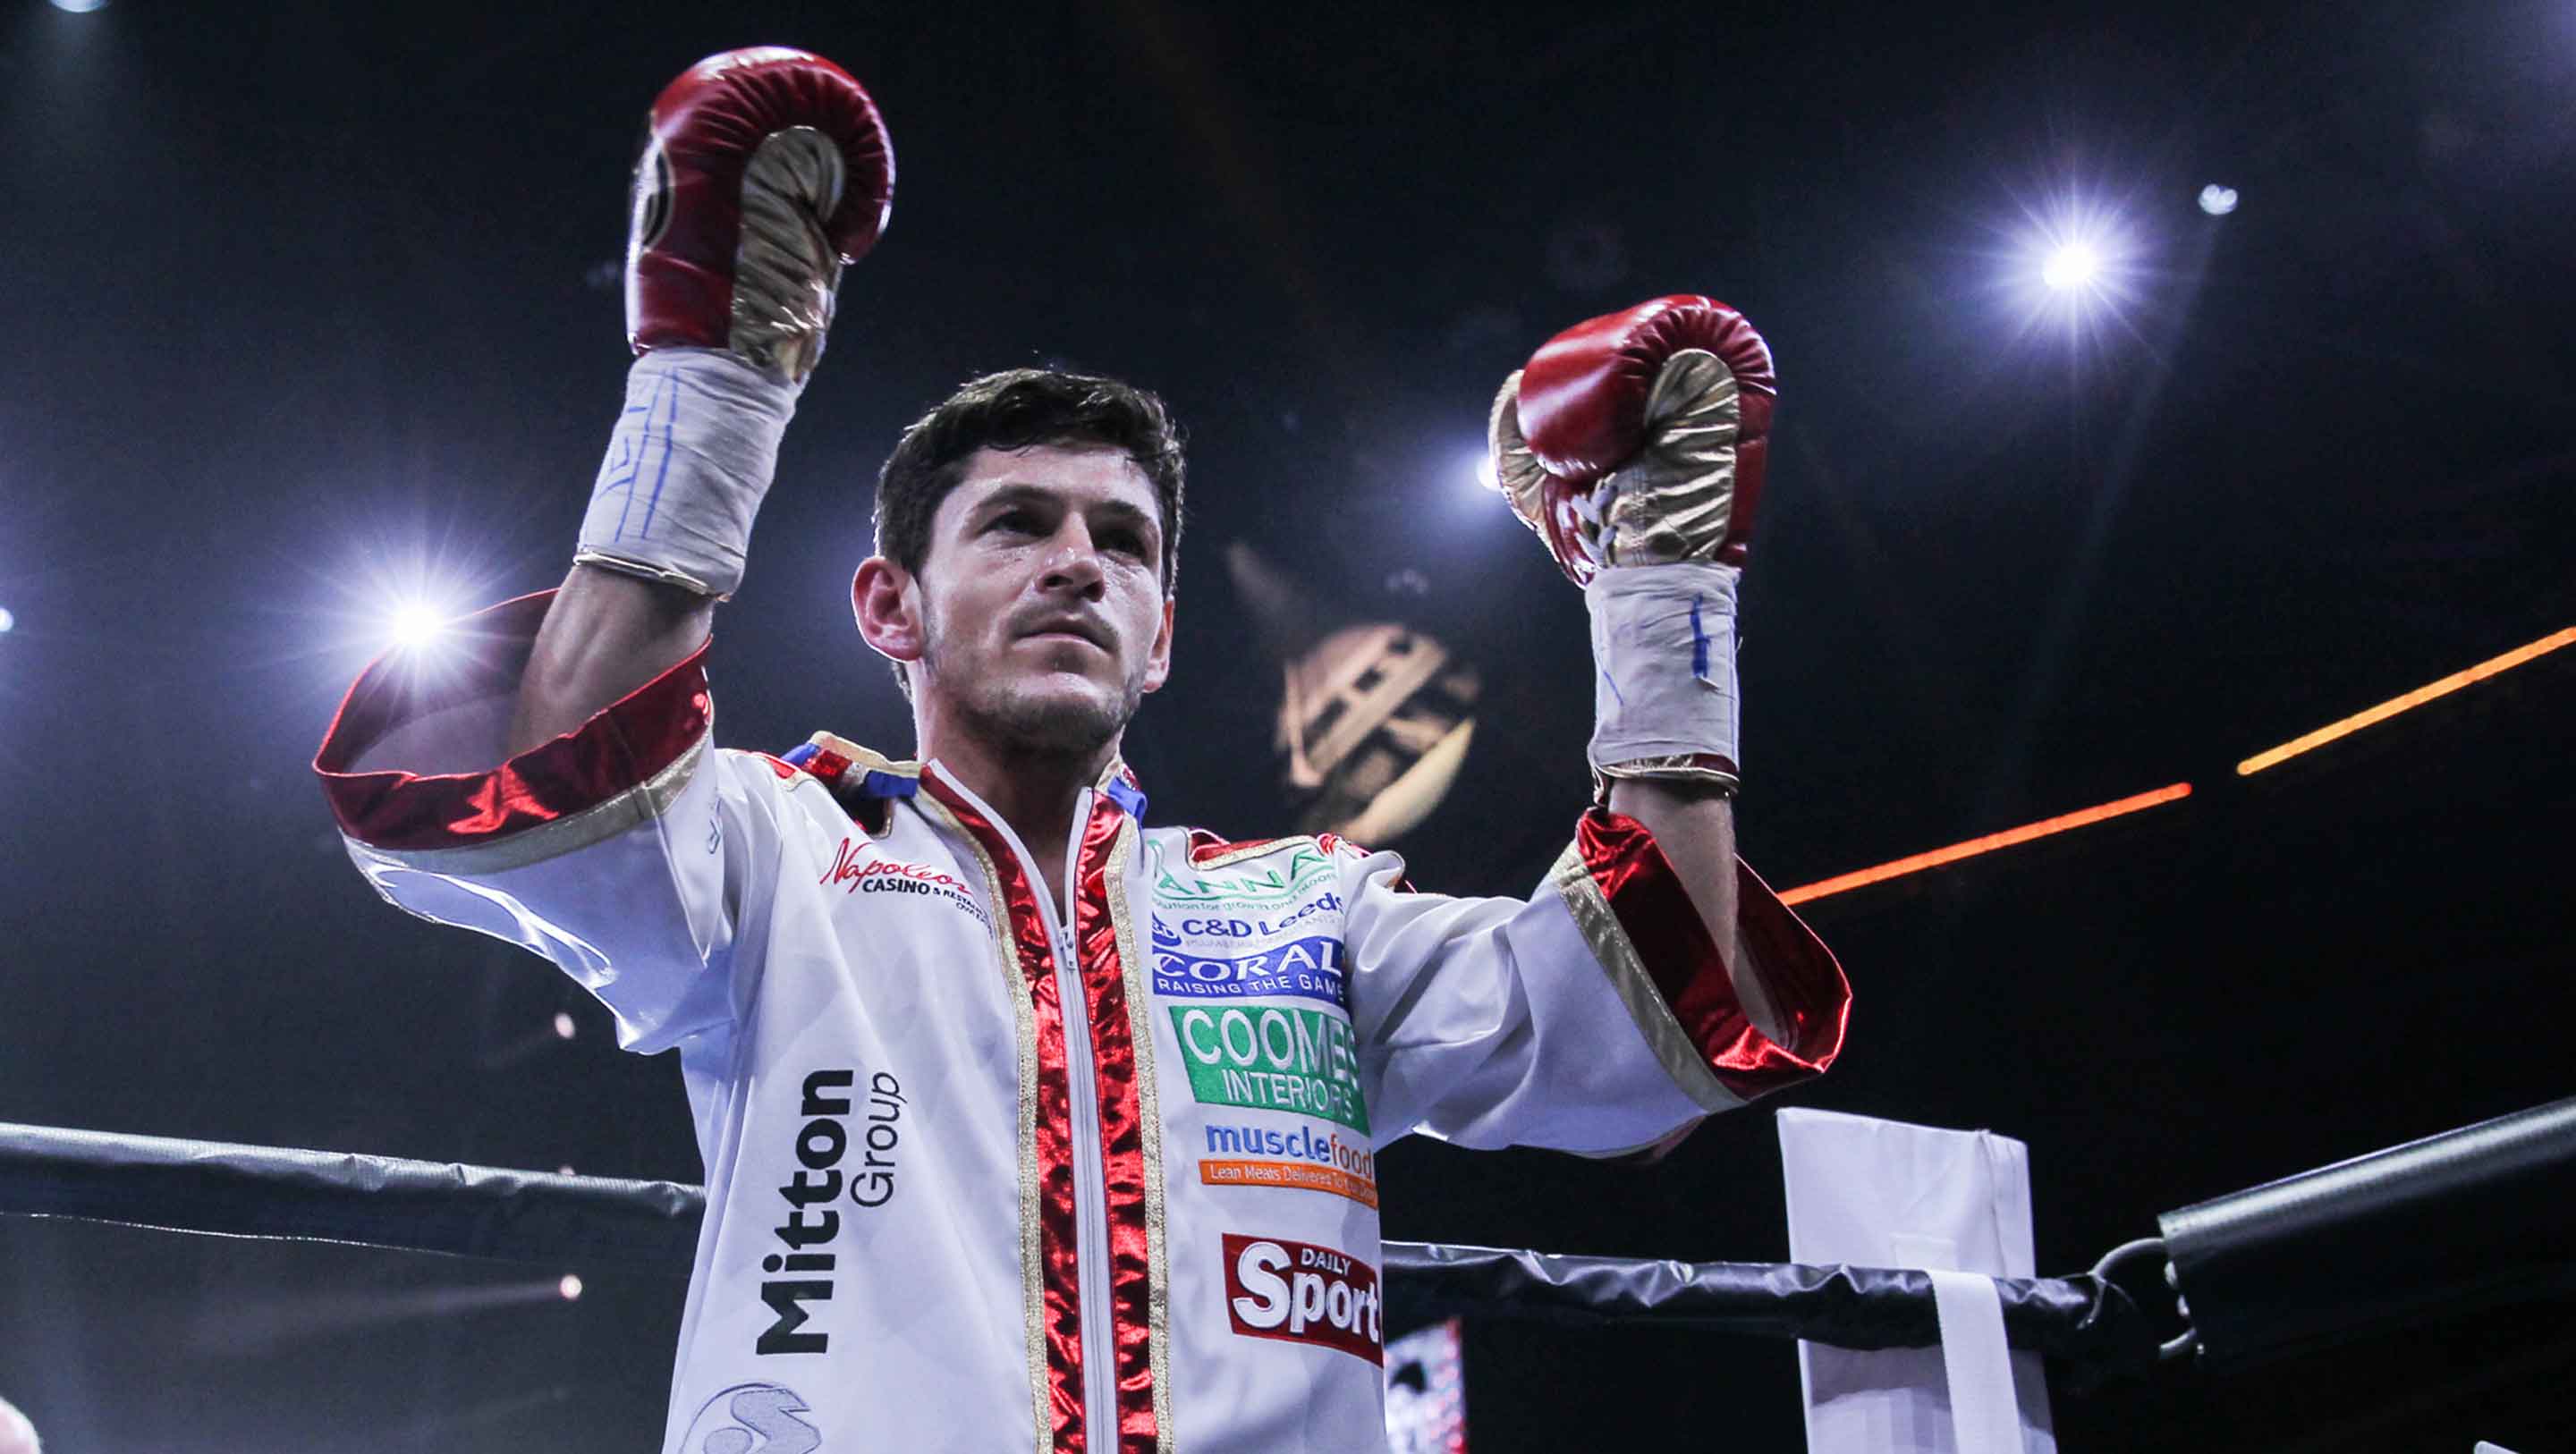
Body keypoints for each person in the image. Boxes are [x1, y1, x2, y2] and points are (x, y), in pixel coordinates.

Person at [314, 46, 1849, 1454]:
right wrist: (713, 385)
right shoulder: (780, 851)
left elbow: (1647, 1029)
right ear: (888, 606)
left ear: (1164, 634)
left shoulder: (1306, 913)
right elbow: (562, 783)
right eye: (1018, 524)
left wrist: (1662, 590)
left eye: (1121, 541)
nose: (1076, 562)